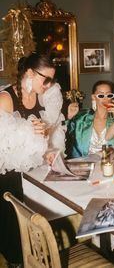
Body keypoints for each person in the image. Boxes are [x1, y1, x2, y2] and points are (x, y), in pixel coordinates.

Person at [0, 53, 66, 267]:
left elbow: (42, 140)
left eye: (51, 80)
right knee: (17, 230)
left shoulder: (43, 96)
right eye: (45, 79)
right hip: (8, 177)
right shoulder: (5, 98)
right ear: (29, 73)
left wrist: (46, 150)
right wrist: (27, 130)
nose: (48, 85)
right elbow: (5, 149)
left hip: (34, 174)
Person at [65, 80, 114, 158]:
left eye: (109, 95)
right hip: (83, 165)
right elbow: (66, 137)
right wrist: (70, 117)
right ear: (93, 97)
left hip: (110, 165)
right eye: (101, 96)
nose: (105, 99)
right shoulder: (82, 117)